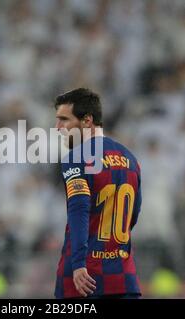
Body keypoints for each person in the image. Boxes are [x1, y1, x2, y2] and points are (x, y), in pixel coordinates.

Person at [53, 88, 142, 299]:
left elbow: (79, 210)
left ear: (87, 121)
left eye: (64, 120)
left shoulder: (77, 157)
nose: (58, 128)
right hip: (123, 277)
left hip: (84, 280)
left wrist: (78, 263)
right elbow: (134, 214)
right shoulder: (130, 159)